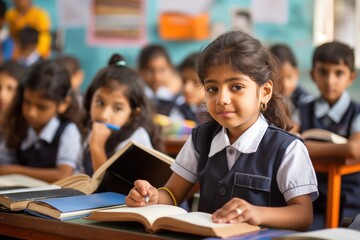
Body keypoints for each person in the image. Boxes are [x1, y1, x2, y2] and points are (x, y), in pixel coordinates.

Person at [126, 30, 318, 231]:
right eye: (212, 89)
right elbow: (173, 194)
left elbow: (303, 215)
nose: (222, 99)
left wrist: (257, 213)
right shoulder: (200, 139)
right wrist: (152, 196)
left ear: (265, 92)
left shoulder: (287, 148)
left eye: (236, 87)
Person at [298, 41, 360, 230]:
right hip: (310, 195)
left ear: (351, 77)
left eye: (338, 73)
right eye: (323, 72)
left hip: (348, 198)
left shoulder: (356, 112)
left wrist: (304, 147)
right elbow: (288, 144)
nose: (330, 80)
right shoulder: (302, 108)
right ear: (312, 75)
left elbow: (354, 150)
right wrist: (340, 151)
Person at [80, 53, 163, 176]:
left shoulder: (135, 142)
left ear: (134, 113)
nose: (104, 115)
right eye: (100, 102)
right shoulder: (93, 131)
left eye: (117, 108)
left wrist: (97, 147)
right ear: (90, 99)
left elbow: (111, 189)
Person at [0, 59, 82, 182]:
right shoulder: (18, 123)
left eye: (42, 107)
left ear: (63, 104)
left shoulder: (68, 131)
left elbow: (63, 175)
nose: (31, 113)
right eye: (27, 102)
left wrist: (15, 170)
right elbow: (4, 164)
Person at [138, 44, 183, 116]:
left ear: (171, 69)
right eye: (151, 71)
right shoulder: (138, 93)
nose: (156, 77)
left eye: (162, 70)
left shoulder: (180, 94)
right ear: (140, 71)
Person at [169, 52, 208, 125]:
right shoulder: (180, 108)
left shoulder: (217, 112)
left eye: (196, 82)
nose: (187, 88)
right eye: (184, 81)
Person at [269, 44, 313, 108]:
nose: (285, 84)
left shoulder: (307, 103)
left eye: (289, 77)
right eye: (278, 79)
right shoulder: (266, 101)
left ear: (296, 73)